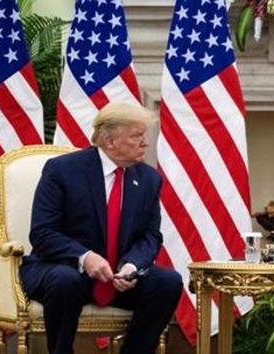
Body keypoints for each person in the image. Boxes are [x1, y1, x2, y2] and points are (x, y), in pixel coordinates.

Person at [19, 102, 183, 354]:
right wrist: (86, 257)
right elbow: (43, 233)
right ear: (109, 141)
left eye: (145, 135)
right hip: (62, 270)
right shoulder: (62, 170)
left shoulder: (149, 179)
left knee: (169, 282)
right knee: (66, 281)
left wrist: (131, 266)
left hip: (118, 278)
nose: (146, 143)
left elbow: (150, 236)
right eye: (137, 136)